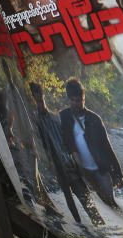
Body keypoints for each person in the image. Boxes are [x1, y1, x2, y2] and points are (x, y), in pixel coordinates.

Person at [28, 80, 105, 226]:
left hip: (67, 161)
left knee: (82, 192)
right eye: (36, 98)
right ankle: (80, 224)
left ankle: (97, 221)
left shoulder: (56, 118)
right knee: (68, 196)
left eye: (41, 98)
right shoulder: (36, 119)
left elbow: (68, 140)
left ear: (43, 96)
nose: (40, 101)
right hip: (56, 162)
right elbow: (41, 142)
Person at [59, 78, 123, 209]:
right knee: (90, 207)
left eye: (78, 101)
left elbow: (107, 147)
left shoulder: (94, 119)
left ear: (83, 99)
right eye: (72, 100)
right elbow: (64, 141)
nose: (75, 104)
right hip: (81, 171)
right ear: (68, 99)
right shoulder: (64, 117)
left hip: (100, 168)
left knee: (111, 203)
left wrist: (117, 174)